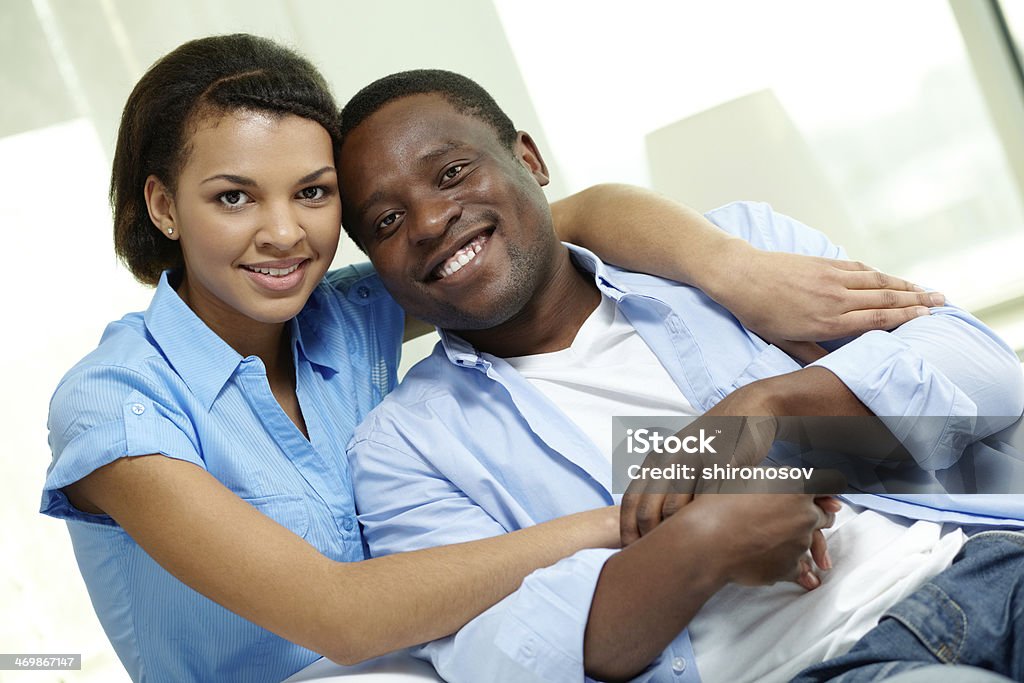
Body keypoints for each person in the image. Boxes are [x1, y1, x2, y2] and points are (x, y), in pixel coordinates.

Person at [38, 35, 933, 683]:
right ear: (162, 206)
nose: (283, 233)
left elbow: (556, 221)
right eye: (233, 197)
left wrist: (731, 267)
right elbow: (339, 616)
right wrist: (660, 510)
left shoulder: (336, 315)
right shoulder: (118, 403)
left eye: (312, 194)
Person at [337, 69, 1024, 683]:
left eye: (451, 173)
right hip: (835, 663)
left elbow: (988, 372)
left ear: (528, 159)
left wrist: (764, 407)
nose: (429, 221)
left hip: (981, 561)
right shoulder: (405, 446)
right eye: (388, 219)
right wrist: (702, 542)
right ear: (376, 263)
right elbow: (505, 655)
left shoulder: (737, 254)